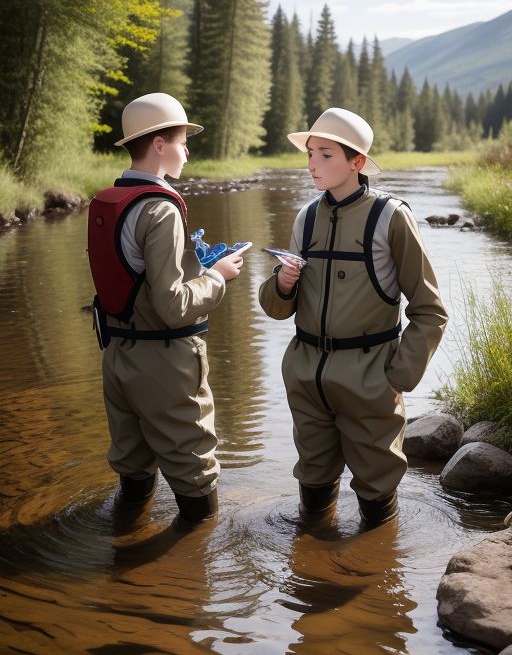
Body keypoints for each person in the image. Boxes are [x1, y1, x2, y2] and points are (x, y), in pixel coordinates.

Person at [259, 108, 448, 526]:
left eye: (325, 155)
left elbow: (430, 310)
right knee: (312, 483)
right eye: (310, 154)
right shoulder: (305, 218)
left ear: (356, 162)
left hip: (370, 378)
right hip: (307, 376)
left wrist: (396, 377)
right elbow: (275, 309)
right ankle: (310, 571)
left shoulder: (391, 217)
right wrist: (283, 284)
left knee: (376, 490)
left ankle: (373, 578)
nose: (311, 165)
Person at [87, 92, 244, 524]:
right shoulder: (160, 208)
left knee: (132, 467)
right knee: (196, 478)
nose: (187, 150)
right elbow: (173, 307)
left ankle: (124, 556)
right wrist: (218, 277)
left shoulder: (108, 201)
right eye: (181, 140)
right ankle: (186, 579)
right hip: (164, 364)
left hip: (117, 356)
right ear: (158, 145)